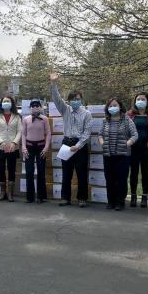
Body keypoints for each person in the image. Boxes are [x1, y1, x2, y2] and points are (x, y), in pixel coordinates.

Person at [50, 72, 93, 207]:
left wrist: (79, 145)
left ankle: (82, 198)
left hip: (80, 146)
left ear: (81, 100)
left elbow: (87, 133)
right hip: (67, 144)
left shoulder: (87, 114)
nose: (75, 101)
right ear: (69, 101)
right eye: (73, 99)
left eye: (78, 99)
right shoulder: (65, 110)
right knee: (66, 173)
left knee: (81, 173)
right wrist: (53, 83)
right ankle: (65, 198)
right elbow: (56, 99)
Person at [99, 97, 138, 211]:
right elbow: (100, 134)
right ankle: (110, 201)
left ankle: (120, 202)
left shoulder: (127, 120)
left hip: (122, 155)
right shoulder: (105, 120)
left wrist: (128, 143)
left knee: (121, 179)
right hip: (108, 155)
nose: (112, 108)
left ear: (120, 107)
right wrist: (102, 143)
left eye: (115, 105)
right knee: (109, 179)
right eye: (110, 106)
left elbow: (135, 135)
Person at [127, 92, 148, 207]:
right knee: (134, 173)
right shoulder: (130, 114)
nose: (140, 101)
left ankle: (144, 197)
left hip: (146, 148)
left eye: (143, 99)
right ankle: (133, 196)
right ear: (135, 101)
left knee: (145, 172)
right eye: (138, 99)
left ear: (147, 101)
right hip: (133, 148)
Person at [0, 95, 22, 202]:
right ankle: (2, 192)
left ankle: (10, 193)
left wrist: (14, 143)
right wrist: (2, 142)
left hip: (13, 147)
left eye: (8, 101)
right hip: (0, 147)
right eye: (4, 101)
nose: (6, 103)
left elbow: (19, 131)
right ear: (1, 104)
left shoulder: (17, 116)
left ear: (12, 103)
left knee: (12, 170)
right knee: (1, 170)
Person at [22, 98, 51, 203]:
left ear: (40, 107)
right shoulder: (26, 119)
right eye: (33, 106)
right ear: (30, 108)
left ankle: (41, 196)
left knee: (41, 171)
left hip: (41, 147)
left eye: (37, 106)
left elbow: (48, 133)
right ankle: (30, 197)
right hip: (29, 147)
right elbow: (23, 134)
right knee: (29, 172)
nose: (35, 107)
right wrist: (23, 147)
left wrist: (46, 147)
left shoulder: (45, 119)